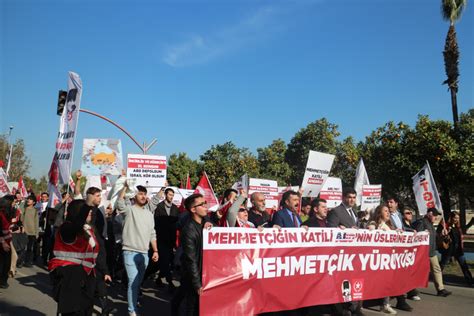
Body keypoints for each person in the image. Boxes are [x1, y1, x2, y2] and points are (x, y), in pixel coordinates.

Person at [48, 199, 99, 316]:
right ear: (78, 212)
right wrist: (87, 205)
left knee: (85, 311)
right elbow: (76, 226)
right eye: (86, 211)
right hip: (69, 275)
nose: (90, 212)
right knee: (72, 312)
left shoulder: (88, 230)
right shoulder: (67, 227)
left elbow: (95, 256)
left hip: (86, 275)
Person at [117, 184, 159, 316]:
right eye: (140, 193)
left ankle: (133, 302)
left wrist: (155, 250)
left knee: (137, 282)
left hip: (144, 253)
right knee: (133, 282)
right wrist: (125, 187)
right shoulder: (129, 210)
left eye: (144, 194)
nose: (143, 196)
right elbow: (119, 203)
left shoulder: (149, 214)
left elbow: (152, 233)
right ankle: (132, 311)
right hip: (130, 252)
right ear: (134, 196)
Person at [327, 187, 363, 316]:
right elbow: (330, 230)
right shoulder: (336, 211)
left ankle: (353, 307)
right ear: (343, 198)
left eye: (354, 197)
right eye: (349, 197)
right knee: (343, 282)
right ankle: (342, 309)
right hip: (341, 254)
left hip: (354, 253)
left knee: (353, 281)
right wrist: (340, 229)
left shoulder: (354, 211)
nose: (352, 200)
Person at [180, 193, 208, 315]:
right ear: (193, 209)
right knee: (193, 308)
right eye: (202, 204)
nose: (206, 206)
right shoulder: (188, 230)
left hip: (205, 275)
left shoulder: (206, 224)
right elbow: (190, 260)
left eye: (205, 203)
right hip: (194, 277)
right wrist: (197, 284)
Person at [369, 204, 398, 315]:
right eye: (385, 211)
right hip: (375, 258)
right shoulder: (374, 224)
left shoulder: (388, 225)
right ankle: (359, 306)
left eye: (388, 211)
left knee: (387, 281)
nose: (388, 213)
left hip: (387, 259)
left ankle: (385, 304)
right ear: (379, 213)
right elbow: (370, 234)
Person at [416, 207, 452, 297]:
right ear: (429, 213)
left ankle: (441, 289)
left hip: (431, 252)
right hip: (423, 253)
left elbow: (436, 237)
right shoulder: (422, 222)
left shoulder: (431, 224)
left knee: (437, 269)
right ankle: (410, 289)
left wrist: (442, 235)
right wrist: (422, 233)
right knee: (417, 271)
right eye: (435, 215)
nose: (436, 218)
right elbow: (417, 235)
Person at [153, 187, 179, 290]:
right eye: (169, 195)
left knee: (165, 260)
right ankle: (170, 282)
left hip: (171, 238)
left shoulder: (175, 208)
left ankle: (159, 278)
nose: (171, 197)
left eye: (172, 195)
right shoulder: (159, 207)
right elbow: (156, 223)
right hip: (161, 238)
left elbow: (177, 222)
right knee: (165, 259)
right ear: (165, 195)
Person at [438, 211, 473, 286]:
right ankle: (437, 279)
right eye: (455, 217)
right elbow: (440, 234)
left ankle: (470, 281)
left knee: (464, 266)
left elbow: (460, 238)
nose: (456, 219)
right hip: (448, 250)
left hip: (458, 250)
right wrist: (446, 231)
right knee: (442, 265)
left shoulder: (458, 227)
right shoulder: (446, 226)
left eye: (457, 218)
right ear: (451, 218)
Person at [0, 196, 14, 289]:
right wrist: (3, 242)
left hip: (7, 242)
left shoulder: (6, 213)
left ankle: (3, 281)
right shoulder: (0, 214)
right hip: (2, 243)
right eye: (13, 202)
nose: (14, 203)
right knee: (3, 264)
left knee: (6, 264)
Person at [21, 195, 39, 267]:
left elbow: (36, 222)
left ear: (34, 202)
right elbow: (21, 220)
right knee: (22, 248)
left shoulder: (35, 211)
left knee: (29, 249)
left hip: (32, 233)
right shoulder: (24, 209)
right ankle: (20, 262)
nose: (28, 200)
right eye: (28, 199)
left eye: (30, 199)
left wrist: (36, 233)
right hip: (24, 231)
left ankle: (27, 262)